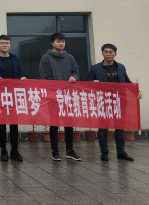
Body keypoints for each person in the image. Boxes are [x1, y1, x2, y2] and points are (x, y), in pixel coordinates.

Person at [87, 43, 142, 162]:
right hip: (103, 101)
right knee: (103, 128)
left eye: (111, 52)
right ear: (102, 53)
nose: (108, 54)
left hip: (120, 101)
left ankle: (121, 152)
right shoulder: (95, 68)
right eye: (106, 52)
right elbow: (88, 82)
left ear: (115, 54)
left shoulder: (121, 67)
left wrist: (136, 92)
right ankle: (104, 152)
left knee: (120, 127)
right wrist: (93, 83)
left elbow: (127, 82)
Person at [39, 32, 81, 162]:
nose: (61, 43)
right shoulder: (46, 58)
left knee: (69, 123)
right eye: (58, 41)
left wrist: (74, 77)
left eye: (62, 41)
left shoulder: (69, 58)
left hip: (68, 96)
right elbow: (44, 77)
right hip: (53, 96)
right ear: (52, 43)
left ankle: (70, 151)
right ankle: (55, 151)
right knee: (54, 124)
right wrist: (50, 94)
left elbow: (76, 71)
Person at [0, 35, 26, 162]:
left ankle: (15, 150)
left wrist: (22, 78)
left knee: (14, 124)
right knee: (2, 124)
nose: (4, 45)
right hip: (0, 95)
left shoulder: (15, 59)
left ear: (10, 45)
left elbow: (19, 74)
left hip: (13, 95)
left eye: (7, 43)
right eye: (2, 43)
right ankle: (3, 150)